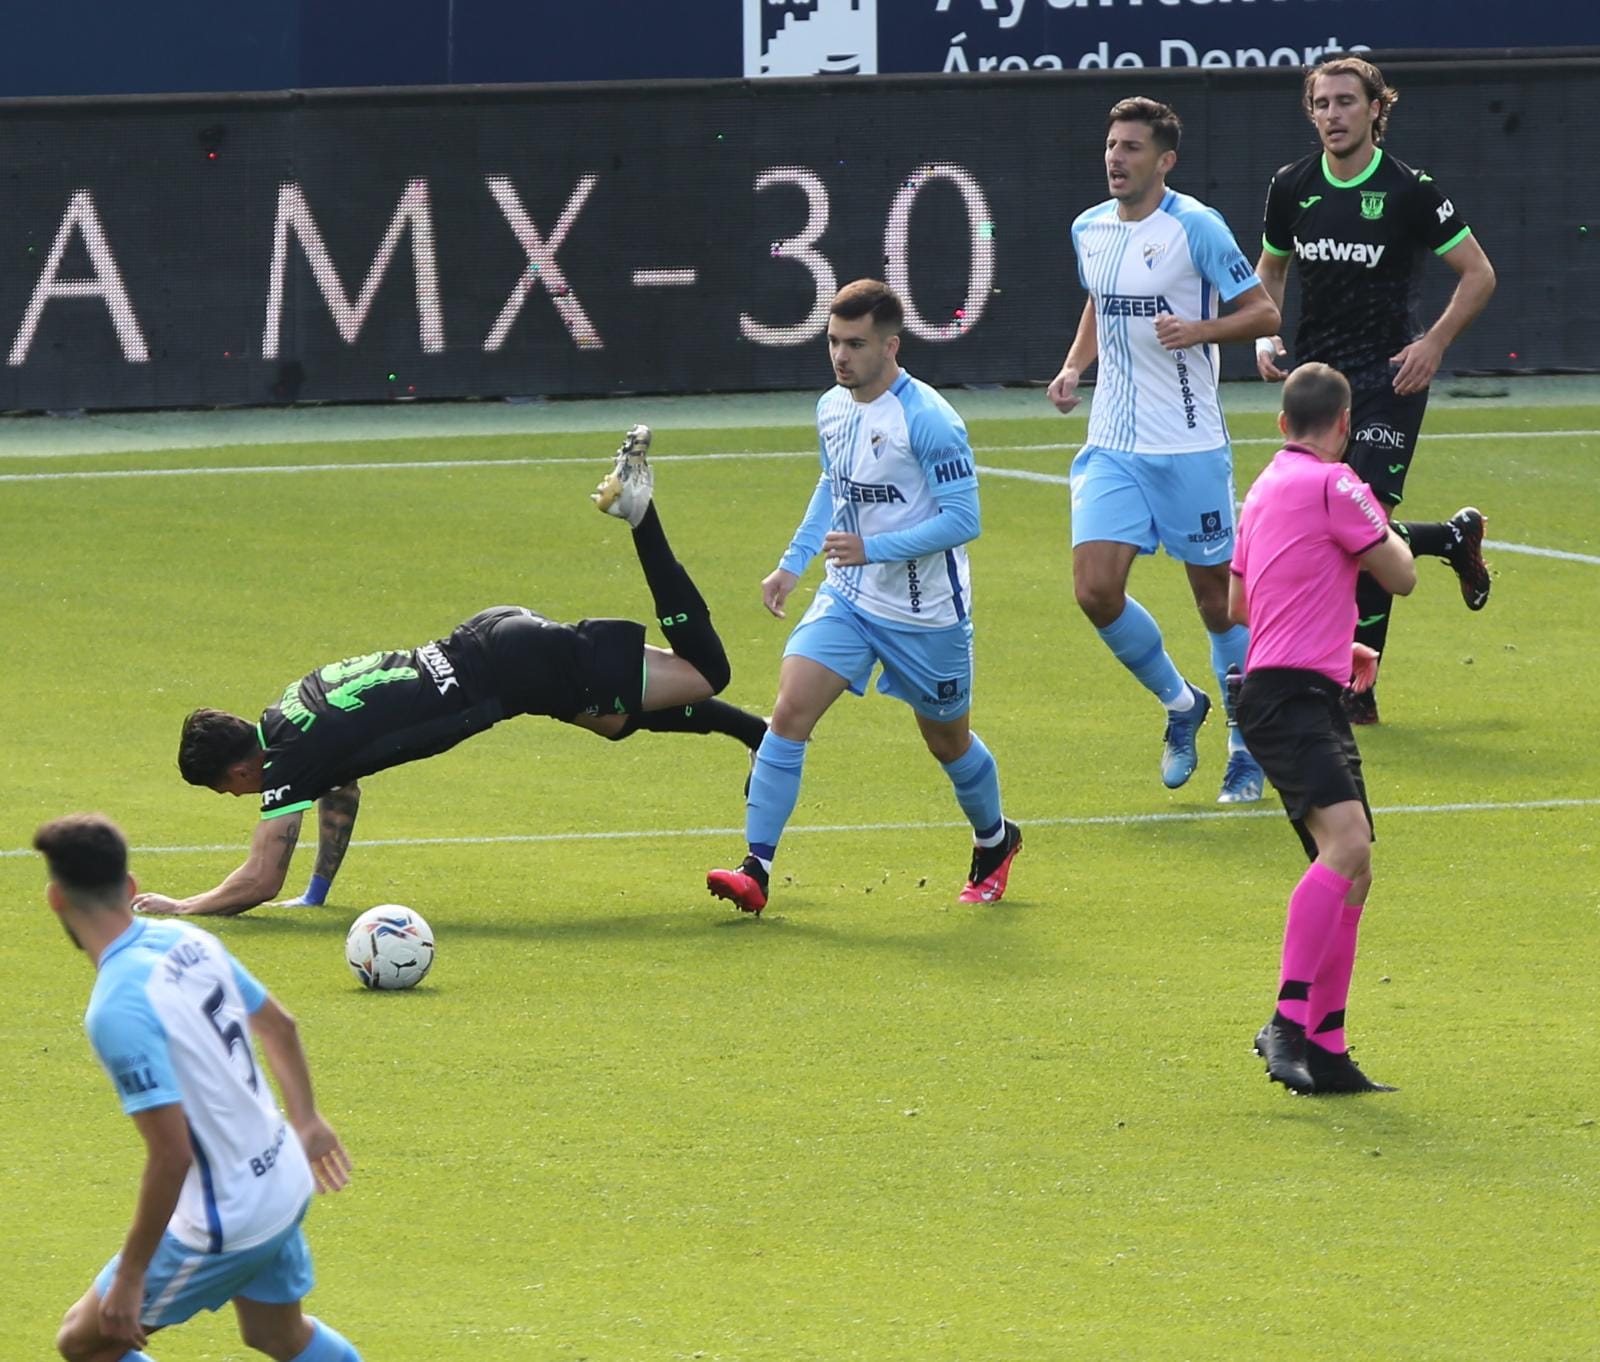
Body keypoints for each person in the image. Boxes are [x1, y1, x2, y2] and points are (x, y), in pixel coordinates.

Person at [134, 429, 767, 917]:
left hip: (513, 666)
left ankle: (641, 514)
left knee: (706, 671)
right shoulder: (291, 711)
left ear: (238, 771)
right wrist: (317, 894)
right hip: (490, 640)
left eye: (229, 791)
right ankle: (754, 735)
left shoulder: (283, 765)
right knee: (612, 718)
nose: (242, 797)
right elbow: (342, 790)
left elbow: (259, 878)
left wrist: (183, 907)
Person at [706, 279, 1020, 914]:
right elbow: (834, 488)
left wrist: (873, 549)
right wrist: (791, 566)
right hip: (848, 600)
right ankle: (756, 869)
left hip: (925, 615)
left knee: (947, 742)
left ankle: (995, 840)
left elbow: (965, 521)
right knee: (789, 713)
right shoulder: (832, 408)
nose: (840, 356)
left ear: (890, 346)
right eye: (832, 342)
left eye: (855, 344)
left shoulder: (930, 422)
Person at [36, 813, 361, 1362]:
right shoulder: (188, 938)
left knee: (85, 1343)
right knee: (277, 1335)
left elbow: (171, 1154)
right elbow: (280, 1026)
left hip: (226, 1217)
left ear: (56, 900)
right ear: (132, 887)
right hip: (283, 1174)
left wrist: (132, 1277)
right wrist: (308, 1120)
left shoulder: (117, 1006)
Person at [1048, 96, 1283, 804]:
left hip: (1187, 445)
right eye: (1112, 145)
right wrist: (1073, 366)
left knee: (1217, 601)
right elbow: (1099, 298)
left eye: (1132, 148)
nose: (1116, 158)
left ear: (1165, 160)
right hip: (1113, 442)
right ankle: (1182, 704)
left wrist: (1200, 332)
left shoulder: (1196, 227)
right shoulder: (1088, 227)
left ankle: (1248, 745)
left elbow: (1265, 312)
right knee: (1094, 590)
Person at [1253, 55, 1497, 724]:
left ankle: (1356, 690)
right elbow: (1270, 270)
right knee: (1340, 528)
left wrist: (1434, 343)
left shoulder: (1410, 189)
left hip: (1390, 377)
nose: (1332, 115)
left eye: (1345, 102)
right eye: (1322, 104)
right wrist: (1265, 337)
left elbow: (1477, 273)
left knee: (1358, 527)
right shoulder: (1291, 185)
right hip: (1318, 384)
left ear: (1375, 109)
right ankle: (1450, 541)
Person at [1229, 364, 1416, 1095]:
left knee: (1355, 868)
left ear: (1282, 423)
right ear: (1342, 425)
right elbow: (1399, 575)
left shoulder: (1264, 487)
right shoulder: (1338, 483)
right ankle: (1286, 1019)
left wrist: (1337, 645)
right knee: (1347, 846)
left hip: (1293, 687)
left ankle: (1329, 1046)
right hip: (1294, 698)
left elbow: (1244, 602)